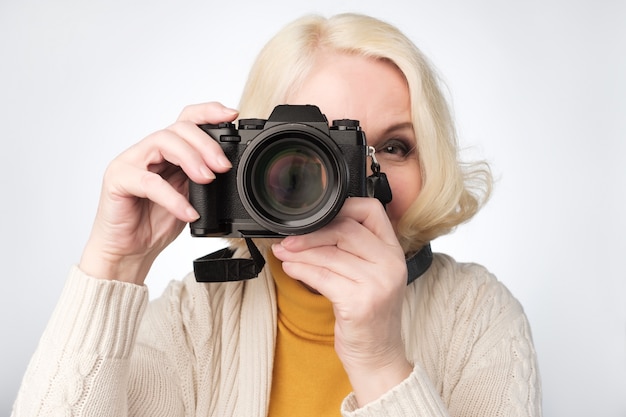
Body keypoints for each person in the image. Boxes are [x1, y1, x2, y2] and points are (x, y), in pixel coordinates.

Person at [12, 13, 542, 417]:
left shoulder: (477, 317)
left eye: (397, 146)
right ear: (245, 160)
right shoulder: (195, 321)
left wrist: (382, 364)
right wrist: (115, 264)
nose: (358, 175)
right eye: (321, 148)